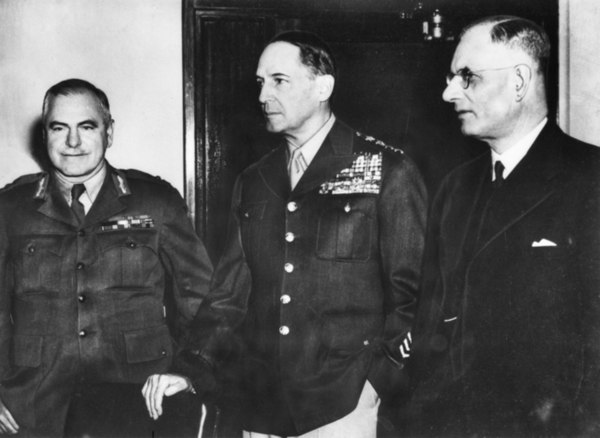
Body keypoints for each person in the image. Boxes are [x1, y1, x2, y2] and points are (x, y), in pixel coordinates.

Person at [143, 30, 427, 437]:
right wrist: (191, 370)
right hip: (263, 405)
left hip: (345, 405)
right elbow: (228, 296)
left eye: (279, 81)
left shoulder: (387, 171)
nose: (263, 96)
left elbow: (414, 297)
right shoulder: (254, 180)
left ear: (322, 86)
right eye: (260, 83)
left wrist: (377, 384)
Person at [408, 16, 600, 436]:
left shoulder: (590, 180)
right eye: (450, 77)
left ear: (519, 82)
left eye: (467, 77)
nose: (448, 93)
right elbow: (428, 331)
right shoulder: (453, 188)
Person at [0, 79, 213, 437]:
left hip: (138, 400)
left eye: (87, 127)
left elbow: (202, 301)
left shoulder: (155, 201)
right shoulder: (10, 208)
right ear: (44, 135)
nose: (72, 142)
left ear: (109, 132)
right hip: (35, 407)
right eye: (59, 128)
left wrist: (189, 372)